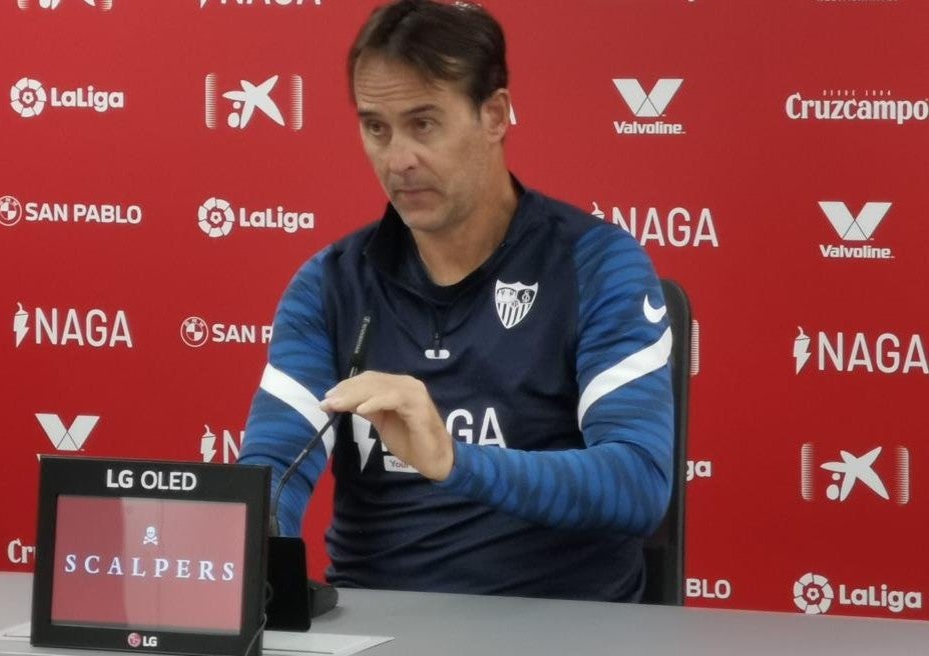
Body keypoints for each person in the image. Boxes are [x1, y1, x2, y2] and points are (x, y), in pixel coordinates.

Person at [237, 0, 674, 602]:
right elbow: (272, 472)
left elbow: (638, 483)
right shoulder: (330, 284)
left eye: (423, 124)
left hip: (560, 629)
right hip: (374, 629)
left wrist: (451, 459)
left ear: (493, 115)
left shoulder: (599, 265)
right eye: (376, 128)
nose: (398, 160)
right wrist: (251, 542)